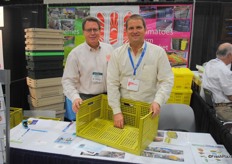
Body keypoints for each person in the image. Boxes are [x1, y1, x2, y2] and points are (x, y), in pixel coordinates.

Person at [107, 14, 174, 129]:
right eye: (131, 28)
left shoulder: (158, 53)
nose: (135, 31)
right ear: (126, 31)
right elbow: (112, 83)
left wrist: (158, 102)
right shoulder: (117, 54)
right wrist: (116, 111)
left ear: (145, 30)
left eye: (138, 27)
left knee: (146, 144)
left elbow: (166, 81)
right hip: (124, 110)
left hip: (148, 110)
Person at [62, 16, 114, 116]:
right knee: (87, 130)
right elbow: (67, 81)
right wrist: (75, 97)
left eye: (95, 29)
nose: (92, 33)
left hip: (108, 99)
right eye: (89, 30)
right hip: (85, 101)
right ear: (84, 32)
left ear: (100, 31)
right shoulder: (75, 54)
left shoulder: (109, 49)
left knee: (106, 129)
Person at [201, 42, 232, 121]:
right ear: (229, 55)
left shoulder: (209, 63)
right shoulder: (224, 70)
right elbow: (230, 96)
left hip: (210, 105)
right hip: (223, 109)